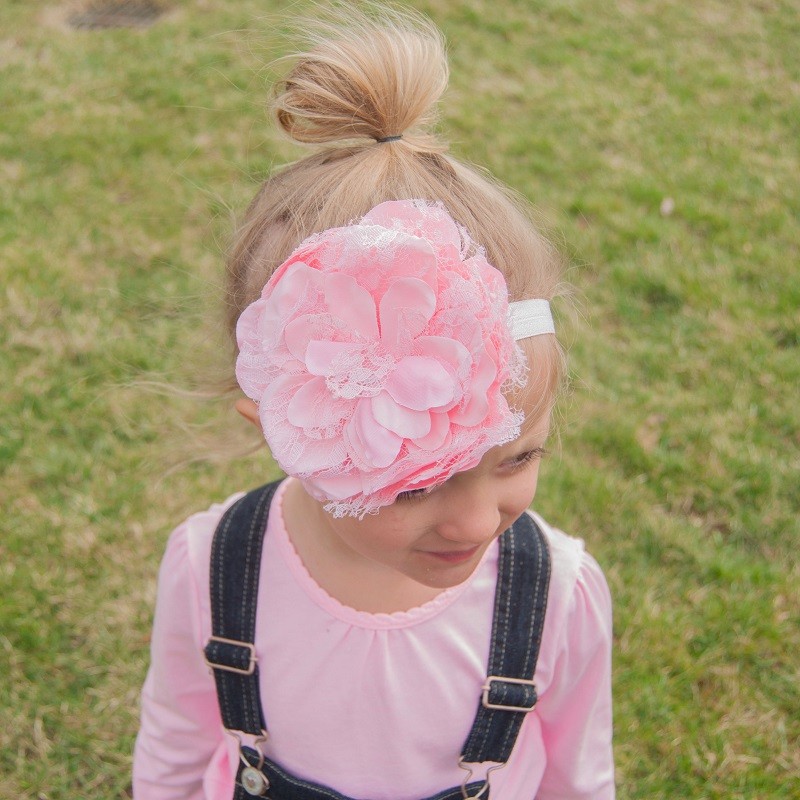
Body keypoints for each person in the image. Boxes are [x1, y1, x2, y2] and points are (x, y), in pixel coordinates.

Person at [133, 6, 614, 799]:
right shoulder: (212, 568)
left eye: (518, 457)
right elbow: (174, 752)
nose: (473, 520)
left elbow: (579, 777)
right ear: (291, 431)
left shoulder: (557, 594)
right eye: (418, 483)